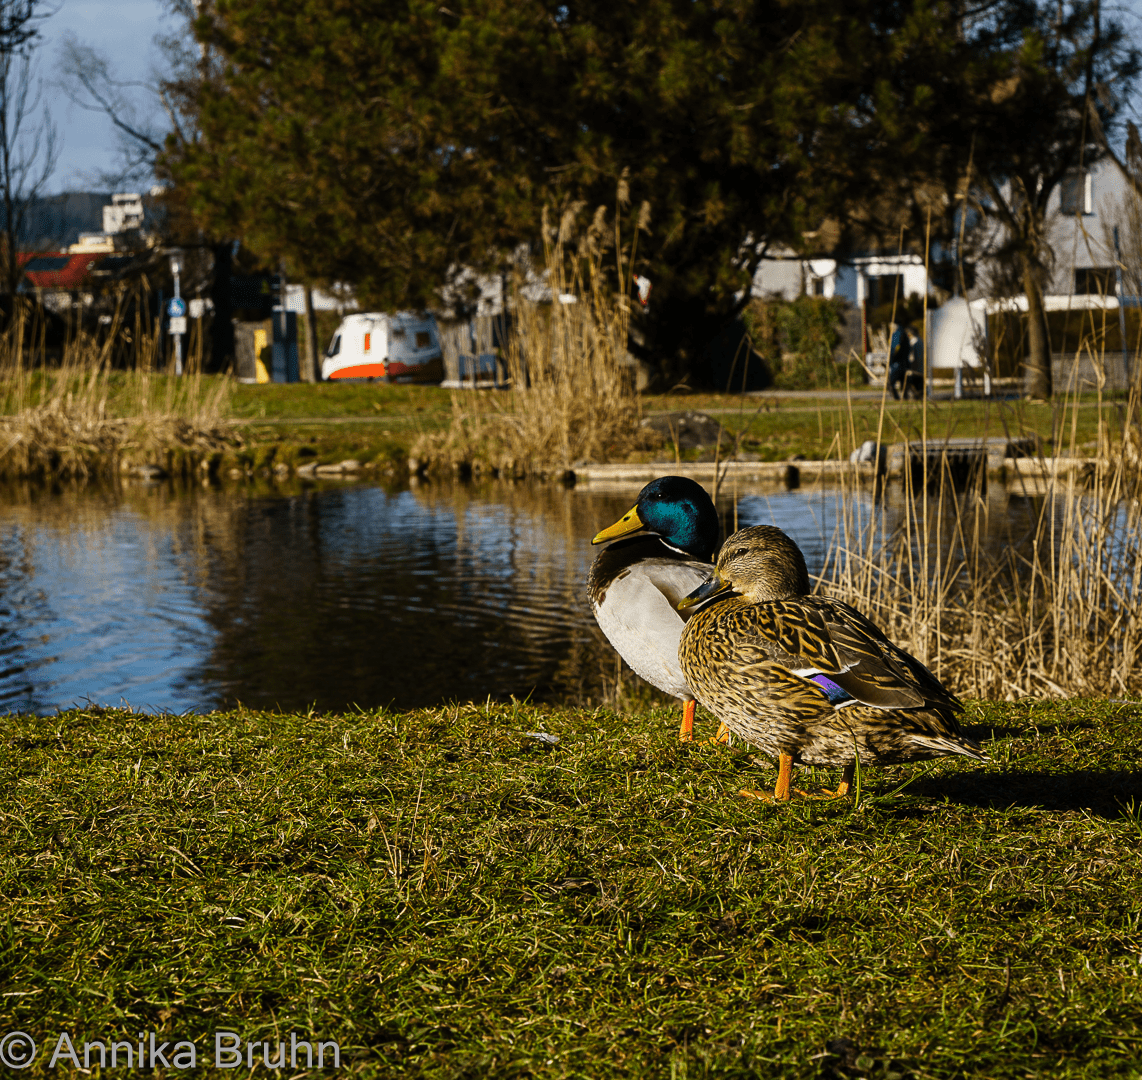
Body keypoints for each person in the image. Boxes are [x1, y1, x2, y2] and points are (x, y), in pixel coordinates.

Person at [887, 322, 912, 400]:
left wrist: (892, 358)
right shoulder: (904, 334)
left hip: (897, 363)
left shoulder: (896, 334)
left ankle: (896, 397)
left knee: (891, 382)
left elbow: (896, 347)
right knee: (903, 382)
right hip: (905, 362)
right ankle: (905, 397)